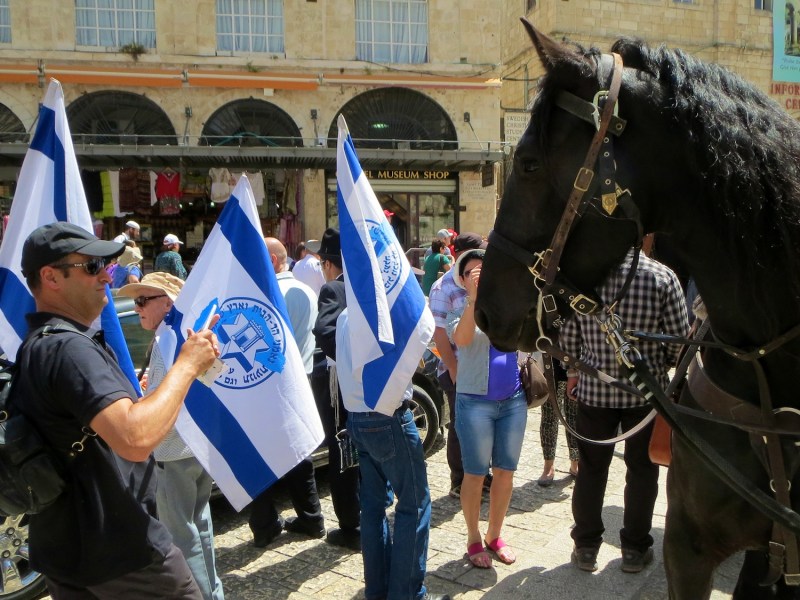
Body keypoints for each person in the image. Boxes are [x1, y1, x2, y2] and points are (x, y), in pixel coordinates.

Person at [15, 222, 220, 598]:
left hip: (69, 550)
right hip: (124, 553)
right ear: (50, 277)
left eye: (107, 267)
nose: (106, 277)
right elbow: (135, 438)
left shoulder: (40, 343)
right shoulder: (68, 348)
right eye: (92, 267)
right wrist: (187, 365)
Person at [562, 249, 689, 574]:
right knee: (643, 472)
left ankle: (587, 547)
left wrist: (574, 373)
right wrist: (662, 363)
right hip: (644, 393)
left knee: (591, 470)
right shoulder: (662, 276)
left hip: (595, 389)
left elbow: (569, 335)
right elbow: (677, 341)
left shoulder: (586, 277)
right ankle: (634, 548)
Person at [117, 272, 224, 600]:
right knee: (200, 526)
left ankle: (204, 595)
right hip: (197, 448)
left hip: (171, 451)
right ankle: (213, 591)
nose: (137, 309)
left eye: (141, 301)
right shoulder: (186, 335)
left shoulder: (167, 339)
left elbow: (163, 402)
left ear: (167, 303)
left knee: (182, 536)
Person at [336, 308, 449, 600]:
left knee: (373, 508)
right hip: (388, 417)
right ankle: (407, 593)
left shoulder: (346, 314)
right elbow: (414, 362)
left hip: (357, 418)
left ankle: (378, 590)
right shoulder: (381, 314)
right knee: (414, 504)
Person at [447, 248, 528, 569]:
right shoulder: (460, 304)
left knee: (505, 472)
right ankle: (473, 538)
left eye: (484, 270)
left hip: (513, 400)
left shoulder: (508, 303)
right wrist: (473, 298)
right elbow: (463, 340)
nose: (479, 275)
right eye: (472, 272)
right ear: (462, 278)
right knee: (475, 473)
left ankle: (496, 535)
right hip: (474, 402)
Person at [247, 238, 326, 547]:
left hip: (272, 386)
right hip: (301, 379)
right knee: (298, 453)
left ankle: (266, 524)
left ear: (272, 260)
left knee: (262, 457)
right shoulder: (307, 290)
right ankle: (311, 516)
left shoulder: (269, 295)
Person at [427, 232, 492, 499]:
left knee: (483, 423)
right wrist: (454, 369)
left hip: (484, 368)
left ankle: (481, 475)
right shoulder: (443, 288)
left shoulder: (485, 280)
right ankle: (459, 479)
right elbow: (439, 334)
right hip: (458, 369)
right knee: (460, 425)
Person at [310, 227, 361, 550]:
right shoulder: (371, 285)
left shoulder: (333, 289)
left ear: (329, 264)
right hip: (372, 386)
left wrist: (353, 361)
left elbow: (325, 333)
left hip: (343, 386)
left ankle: (351, 526)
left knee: (343, 456)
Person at [536, 360, 579, 486]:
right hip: (550, 367)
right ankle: (548, 465)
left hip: (576, 365)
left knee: (575, 418)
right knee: (549, 418)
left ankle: (575, 463)